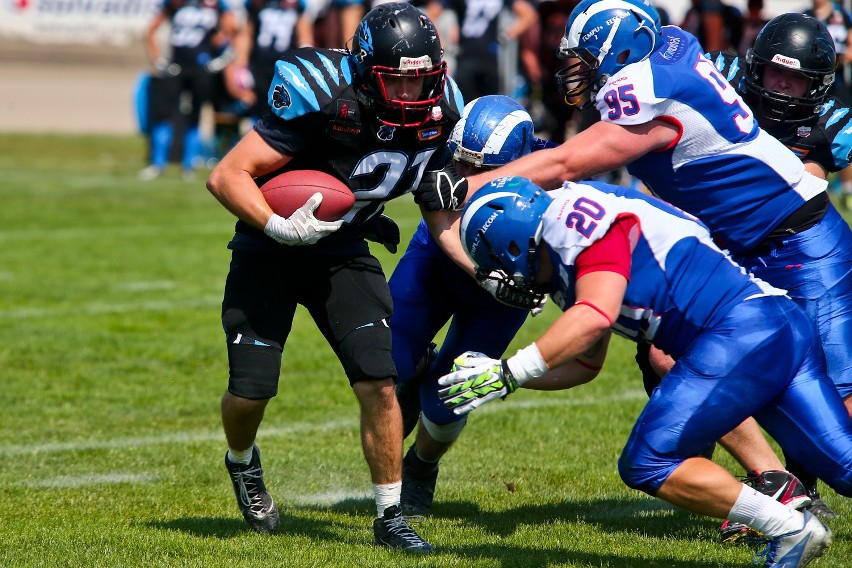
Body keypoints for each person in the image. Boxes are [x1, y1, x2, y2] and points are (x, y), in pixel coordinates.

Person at [437, 175, 852, 568]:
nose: (506, 279)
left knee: (648, 460)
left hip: (735, 332)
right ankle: (791, 527)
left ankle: (789, 528)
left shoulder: (569, 225)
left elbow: (594, 316)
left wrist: (509, 370)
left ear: (509, 245)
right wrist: (508, 380)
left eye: (497, 264)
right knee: (845, 463)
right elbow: (584, 363)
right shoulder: (563, 249)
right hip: (777, 324)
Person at [205, 2, 465, 552]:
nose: (411, 96)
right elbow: (227, 174)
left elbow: (440, 216)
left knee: (378, 379)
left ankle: (390, 516)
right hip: (268, 244)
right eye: (397, 81)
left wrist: (482, 273)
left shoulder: (445, 107)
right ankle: (242, 462)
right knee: (251, 391)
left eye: (421, 82)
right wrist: (279, 226)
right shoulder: (321, 91)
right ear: (366, 71)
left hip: (344, 247)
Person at [686, 12, 852, 525]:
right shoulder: (720, 78)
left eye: (796, 77)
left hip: (798, 251)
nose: (781, 87)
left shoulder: (833, 122)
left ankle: (801, 485)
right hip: (720, 249)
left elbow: (805, 187)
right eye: (775, 73)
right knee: (678, 359)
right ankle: (763, 483)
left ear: (818, 84)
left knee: (834, 385)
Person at [390, 95, 553, 515]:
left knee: (448, 397)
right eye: (462, 163)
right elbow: (437, 217)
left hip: (502, 294)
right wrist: (482, 275)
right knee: (384, 361)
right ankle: (416, 367)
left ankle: (421, 466)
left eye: (481, 169)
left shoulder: (553, 173)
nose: (466, 174)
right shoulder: (443, 150)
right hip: (440, 261)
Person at [141, 0, 237, 181]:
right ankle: (158, 163)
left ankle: (188, 165)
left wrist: (222, 57)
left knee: (195, 115)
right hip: (176, 66)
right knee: (164, 114)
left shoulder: (216, 5)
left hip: (201, 69)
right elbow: (151, 29)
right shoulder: (175, 3)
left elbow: (231, 31)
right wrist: (157, 59)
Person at [223, 0, 315, 122]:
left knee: (282, 108)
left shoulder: (297, 7)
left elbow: (304, 34)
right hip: (259, 65)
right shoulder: (259, 5)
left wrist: (304, 63)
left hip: (286, 67)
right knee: (256, 105)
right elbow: (247, 34)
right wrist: (241, 66)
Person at [446, 0, 539, 101]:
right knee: (464, 106)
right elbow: (432, 13)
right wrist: (446, 38)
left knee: (492, 104)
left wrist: (508, 34)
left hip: (491, 59)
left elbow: (529, 15)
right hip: (467, 57)